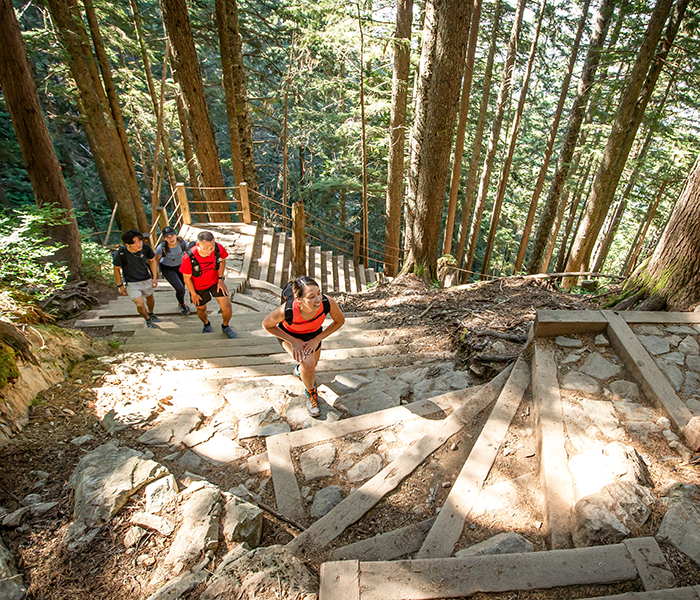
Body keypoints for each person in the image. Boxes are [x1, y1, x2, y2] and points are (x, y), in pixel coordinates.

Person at [262, 276, 345, 416]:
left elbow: (339, 321)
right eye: (311, 296)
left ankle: (300, 371)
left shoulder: (326, 302)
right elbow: (266, 325)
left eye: (319, 293)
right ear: (299, 300)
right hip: (290, 337)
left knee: (311, 366)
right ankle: (311, 393)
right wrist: (293, 341)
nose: (318, 299)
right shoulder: (287, 310)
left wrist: (317, 339)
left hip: (313, 336)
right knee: (308, 364)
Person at [180, 230, 238, 339]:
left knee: (227, 307)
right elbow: (186, 278)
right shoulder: (189, 258)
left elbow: (222, 261)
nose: (209, 250)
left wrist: (220, 279)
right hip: (198, 287)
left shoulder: (218, 248)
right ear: (198, 244)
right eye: (205, 248)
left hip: (215, 282)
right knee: (201, 309)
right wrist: (193, 293)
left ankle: (225, 326)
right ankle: (206, 324)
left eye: (211, 247)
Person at [113, 229, 160, 328]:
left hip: (146, 278)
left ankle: (151, 313)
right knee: (140, 304)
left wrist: (154, 277)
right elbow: (116, 269)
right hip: (131, 282)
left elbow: (152, 261)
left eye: (140, 241)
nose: (139, 244)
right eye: (135, 243)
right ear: (128, 244)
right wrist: (120, 285)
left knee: (150, 298)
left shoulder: (145, 248)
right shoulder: (121, 253)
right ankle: (147, 318)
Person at [155, 226, 192, 316]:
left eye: (172, 235)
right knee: (179, 287)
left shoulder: (183, 244)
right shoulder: (161, 248)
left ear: (176, 235)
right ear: (164, 238)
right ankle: (182, 304)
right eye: (168, 237)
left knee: (183, 286)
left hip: (181, 266)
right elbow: (156, 261)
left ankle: (181, 302)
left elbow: (191, 255)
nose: (171, 238)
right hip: (167, 268)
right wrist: (155, 275)